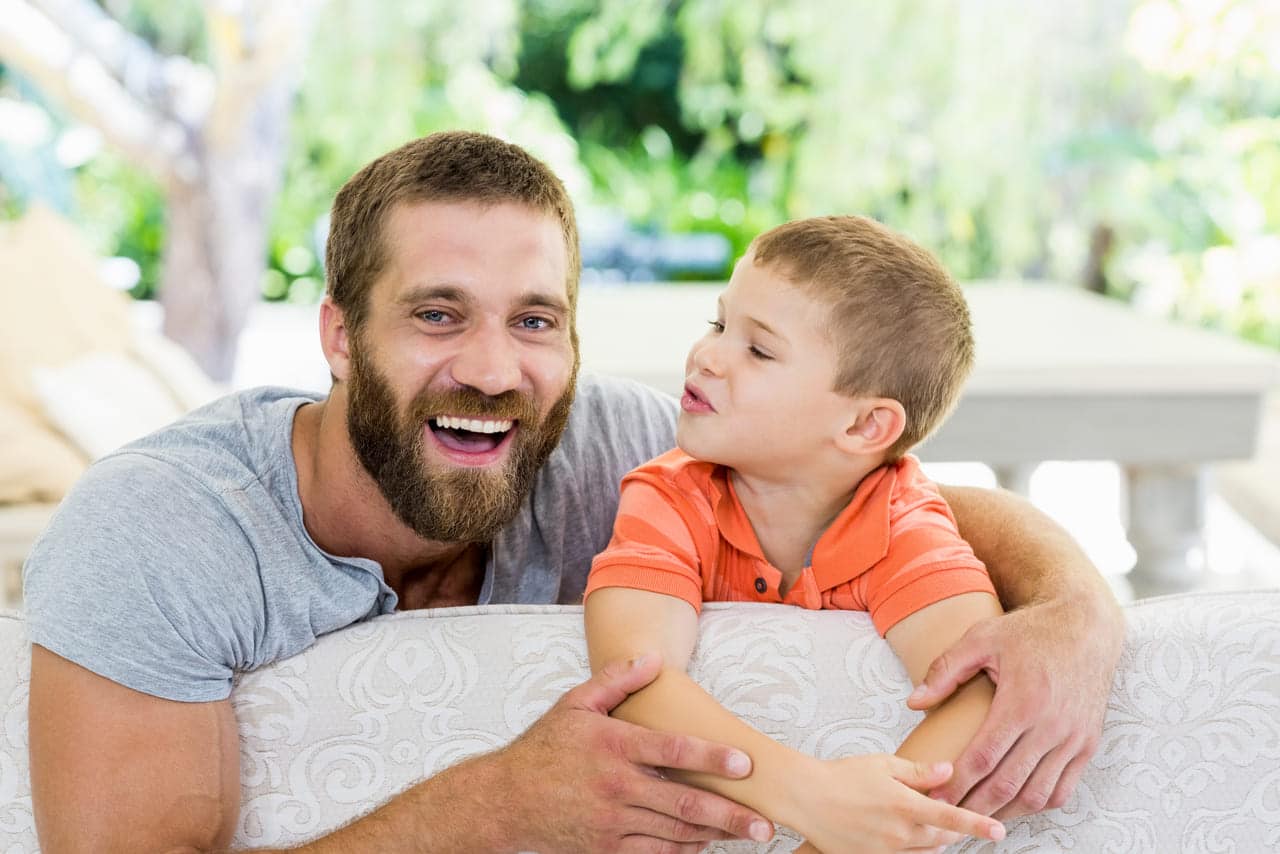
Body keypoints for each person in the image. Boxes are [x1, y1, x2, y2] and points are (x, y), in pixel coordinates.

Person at [23, 131, 1124, 853]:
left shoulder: (620, 451)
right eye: (438, 313)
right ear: (338, 337)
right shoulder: (159, 530)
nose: (497, 371)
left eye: (536, 320)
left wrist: (1074, 608)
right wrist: (490, 809)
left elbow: (884, 500)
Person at [584, 215, 1007, 852]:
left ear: (866, 427)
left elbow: (977, 688)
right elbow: (631, 676)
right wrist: (815, 798)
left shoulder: (903, 523)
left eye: (758, 349)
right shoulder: (669, 495)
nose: (706, 355)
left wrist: (841, 841)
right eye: (719, 323)